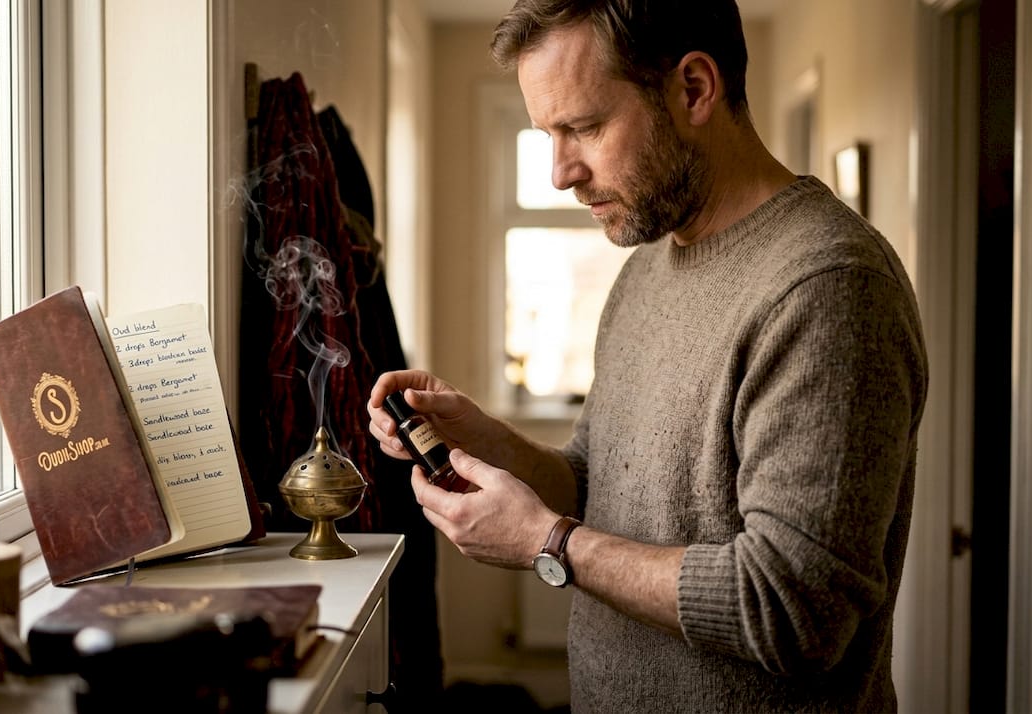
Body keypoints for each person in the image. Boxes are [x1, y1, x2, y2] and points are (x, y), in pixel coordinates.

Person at [367, 0, 928, 711]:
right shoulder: (648, 267)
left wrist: (550, 544)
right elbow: (596, 486)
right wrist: (487, 440)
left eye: (585, 127)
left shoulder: (827, 288)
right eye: (549, 134)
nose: (560, 173)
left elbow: (795, 612)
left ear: (694, 89)